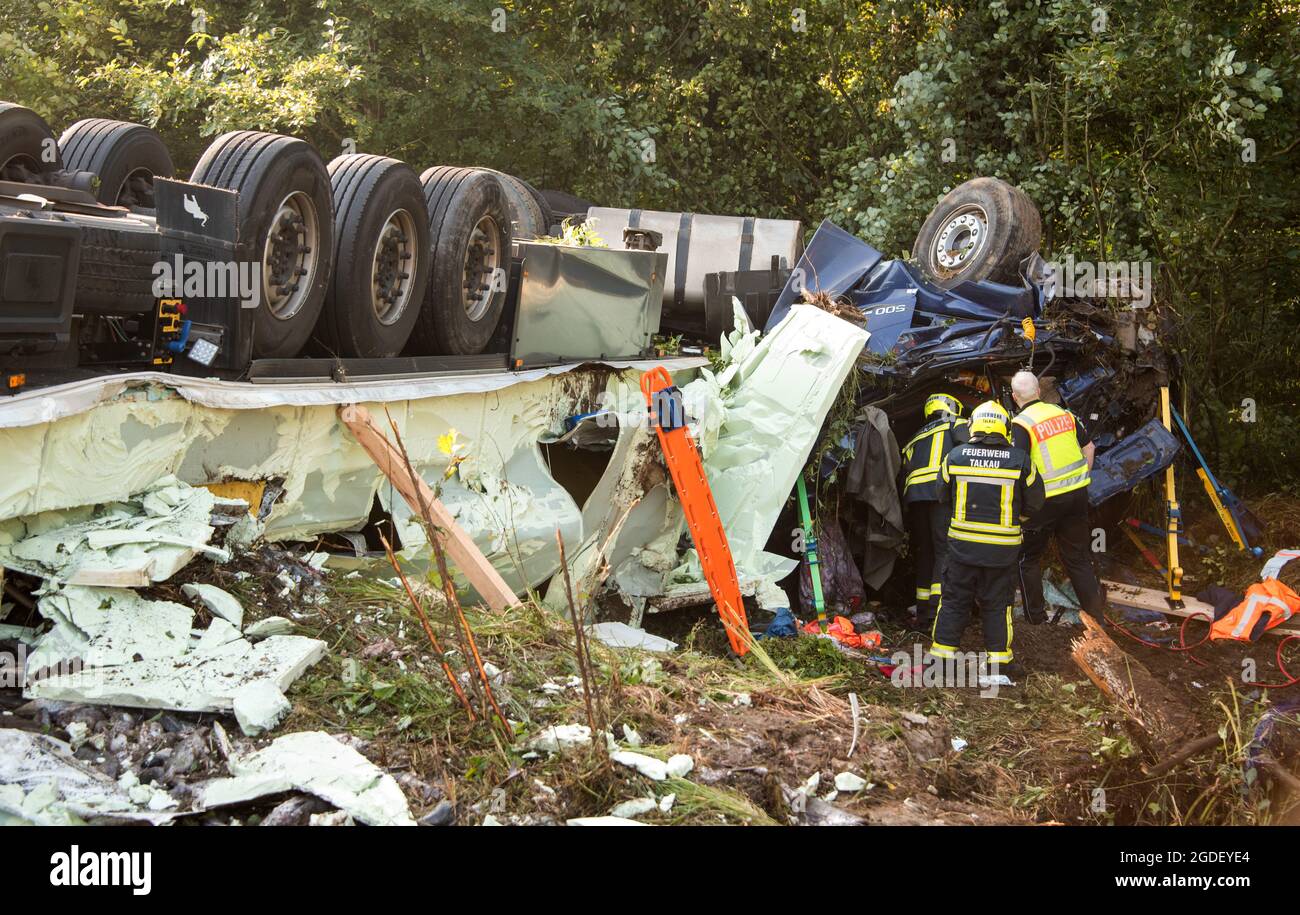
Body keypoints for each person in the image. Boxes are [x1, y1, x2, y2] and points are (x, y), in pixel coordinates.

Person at [930, 401, 1043, 677]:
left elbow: (941, 496)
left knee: (954, 600)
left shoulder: (954, 457)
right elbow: (1036, 503)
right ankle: (998, 663)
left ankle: (942, 661)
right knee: (997, 604)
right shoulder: (1020, 461)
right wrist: (1018, 519)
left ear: (974, 425)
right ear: (1005, 428)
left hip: (962, 548)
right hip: (1001, 551)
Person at [1009, 370, 1106, 622]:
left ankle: (1037, 619)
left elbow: (1019, 467)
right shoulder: (1066, 414)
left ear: (1013, 397)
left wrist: (1020, 507)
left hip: (1044, 502)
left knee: (1027, 559)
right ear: (1039, 391)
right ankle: (1096, 618)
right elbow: (1090, 447)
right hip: (1076, 496)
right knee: (1078, 558)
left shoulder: (1021, 424)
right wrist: (1082, 479)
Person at [900, 393, 968, 631]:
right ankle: (939, 611)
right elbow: (968, 454)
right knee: (944, 550)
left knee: (925, 551)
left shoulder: (916, 435)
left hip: (916, 497)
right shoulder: (957, 424)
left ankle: (922, 611)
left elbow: (905, 467)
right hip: (941, 494)